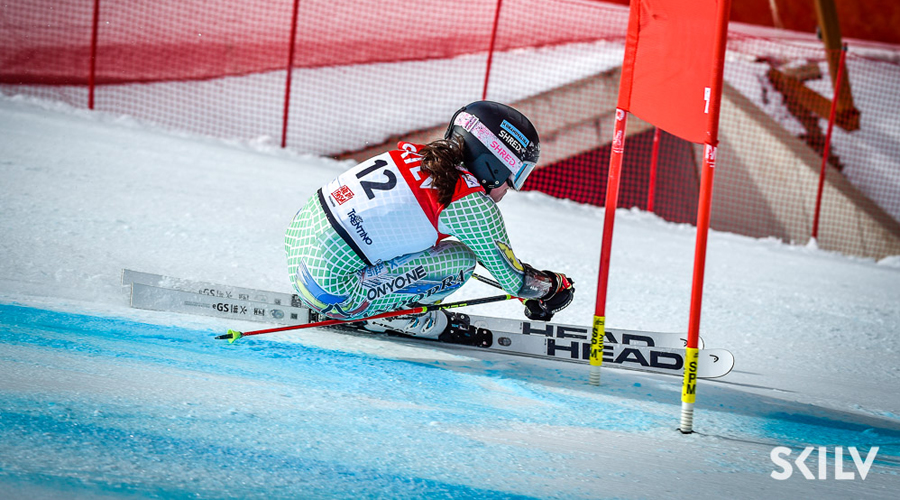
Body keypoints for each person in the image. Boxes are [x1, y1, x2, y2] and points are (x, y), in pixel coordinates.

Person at [284, 101, 574, 345]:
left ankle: (363, 296)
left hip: (297, 254)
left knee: (415, 242)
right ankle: (402, 317)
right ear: (494, 164)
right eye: (516, 174)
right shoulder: (470, 201)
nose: (511, 187)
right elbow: (515, 280)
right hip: (335, 295)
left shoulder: (414, 156)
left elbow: (488, 251)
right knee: (460, 261)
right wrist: (550, 288)